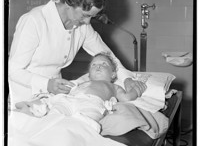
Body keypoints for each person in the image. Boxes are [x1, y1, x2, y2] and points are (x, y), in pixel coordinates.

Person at [9, 0, 145, 109]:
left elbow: (106, 55)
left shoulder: (82, 26)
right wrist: (46, 84)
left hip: (56, 96)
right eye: (85, 15)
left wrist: (126, 78)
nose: (87, 22)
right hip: (26, 96)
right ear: (69, 3)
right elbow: (14, 71)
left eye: (91, 17)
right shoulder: (34, 21)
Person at [15, 52, 146, 122]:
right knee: (55, 114)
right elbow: (65, 90)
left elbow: (126, 97)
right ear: (88, 74)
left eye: (104, 64)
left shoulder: (113, 87)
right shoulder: (81, 82)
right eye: (94, 65)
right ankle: (42, 119)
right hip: (69, 100)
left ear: (113, 74)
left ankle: (79, 131)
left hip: (92, 103)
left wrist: (137, 89)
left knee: (87, 121)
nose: (98, 66)